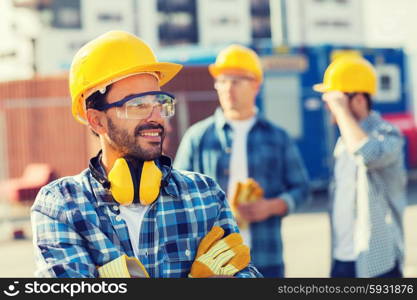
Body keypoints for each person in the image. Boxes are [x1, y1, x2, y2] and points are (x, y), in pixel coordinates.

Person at [31, 31, 261, 278]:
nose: (156, 117)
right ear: (97, 121)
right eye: (138, 105)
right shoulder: (61, 206)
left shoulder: (205, 194)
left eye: (160, 103)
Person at [174, 44, 310, 278]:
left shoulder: (277, 137)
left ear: (256, 85)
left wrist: (271, 206)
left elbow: (302, 189)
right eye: (222, 81)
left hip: (266, 259)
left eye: (236, 81)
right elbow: (175, 195)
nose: (228, 88)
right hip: (213, 261)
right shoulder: (197, 137)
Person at [313, 54, 407, 278]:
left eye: (333, 100)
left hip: (378, 262)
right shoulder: (344, 140)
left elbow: (368, 154)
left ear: (357, 100)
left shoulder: (387, 134)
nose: (328, 107)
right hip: (343, 260)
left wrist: (342, 111)